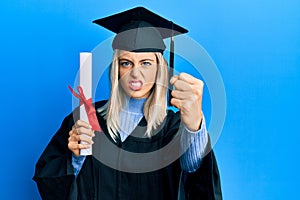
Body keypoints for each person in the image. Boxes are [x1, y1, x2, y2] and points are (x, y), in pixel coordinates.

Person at [33, 7, 222, 200]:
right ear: (116, 69)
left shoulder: (172, 127)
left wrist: (194, 127)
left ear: (160, 69)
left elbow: (196, 179)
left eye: (146, 63)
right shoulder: (87, 119)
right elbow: (49, 180)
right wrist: (76, 158)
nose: (135, 73)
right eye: (126, 63)